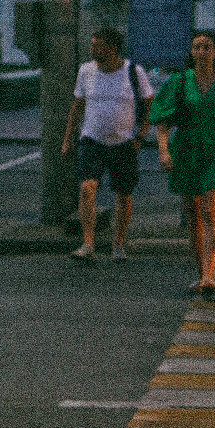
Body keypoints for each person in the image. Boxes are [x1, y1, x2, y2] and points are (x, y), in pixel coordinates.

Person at [149, 30, 215, 298]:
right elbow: (162, 119)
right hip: (187, 152)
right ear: (192, 52)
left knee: (210, 211)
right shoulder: (181, 82)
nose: (202, 52)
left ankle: (209, 274)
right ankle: (201, 270)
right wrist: (163, 151)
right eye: (197, 47)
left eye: (207, 47)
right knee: (193, 214)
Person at [60, 26, 154, 262]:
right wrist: (67, 138)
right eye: (92, 45)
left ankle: (118, 244)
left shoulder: (134, 72)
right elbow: (78, 105)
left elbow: (149, 104)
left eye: (98, 46)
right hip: (92, 140)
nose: (93, 50)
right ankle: (88, 243)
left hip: (124, 142)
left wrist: (141, 136)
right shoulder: (86, 71)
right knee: (86, 188)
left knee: (123, 195)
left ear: (112, 48)